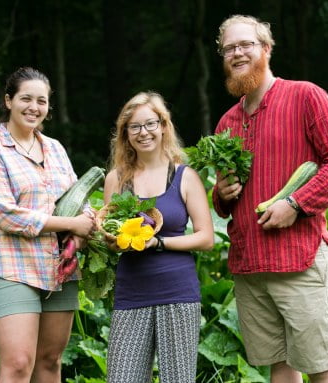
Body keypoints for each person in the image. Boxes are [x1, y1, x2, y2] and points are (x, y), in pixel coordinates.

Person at [212, 15, 328, 383]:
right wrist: (222, 194)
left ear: (265, 48)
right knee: (279, 366)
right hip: (250, 264)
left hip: (299, 257)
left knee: (322, 367)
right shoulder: (226, 123)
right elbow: (223, 199)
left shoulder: (305, 95)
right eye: (229, 48)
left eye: (245, 44)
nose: (237, 53)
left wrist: (295, 205)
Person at [0, 67, 95, 383]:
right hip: (11, 266)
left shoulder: (54, 148)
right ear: (8, 100)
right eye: (26, 98)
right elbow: (7, 215)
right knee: (17, 364)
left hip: (59, 268)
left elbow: (78, 198)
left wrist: (85, 228)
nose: (34, 107)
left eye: (41, 101)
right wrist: (72, 223)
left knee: (50, 361)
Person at [103, 91, 214, 382]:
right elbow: (109, 231)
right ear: (125, 134)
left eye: (150, 124)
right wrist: (108, 239)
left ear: (164, 126)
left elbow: (206, 238)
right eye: (135, 127)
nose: (144, 133)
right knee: (122, 378)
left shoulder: (184, 176)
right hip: (132, 293)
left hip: (177, 292)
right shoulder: (116, 179)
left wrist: (159, 242)